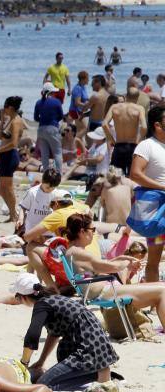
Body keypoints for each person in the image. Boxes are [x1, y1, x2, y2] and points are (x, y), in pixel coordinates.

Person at [14, 272, 120, 390]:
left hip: (86, 351)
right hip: (100, 349)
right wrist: (41, 361)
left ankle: (95, 375)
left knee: (43, 385)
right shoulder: (55, 299)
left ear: (23, 297)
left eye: (18, 298)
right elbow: (53, 334)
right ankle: (99, 372)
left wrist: (24, 364)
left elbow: (32, 336)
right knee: (59, 356)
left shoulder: (42, 305)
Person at [64, 213, 165, 329]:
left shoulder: (73, 250)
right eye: (93, 229)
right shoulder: (78, 252)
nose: (94, 232)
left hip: (105, 290)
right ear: (82, 232)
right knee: (162, 290)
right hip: (106, 292)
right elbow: (105, 267)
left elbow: (101, 266)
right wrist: (127, 263)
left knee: (162, 288)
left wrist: (122, 259)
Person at [130, 106, 165, 282]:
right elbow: (135, 174)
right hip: (157, 215)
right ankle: (155, 301)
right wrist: (163, 187)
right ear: (158, 125)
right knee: (154, 260)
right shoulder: (147, 146)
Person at [103, 87, 147, 176]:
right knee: (133, 176)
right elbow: (144, 127)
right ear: (137, 98)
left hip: (118, 145)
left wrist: (111, 139)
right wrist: (138, 141)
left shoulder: (114, 107)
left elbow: (104, 124)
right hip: (132, 146)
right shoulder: (139, 108)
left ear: (126, 96)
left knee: (114, 178)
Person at [0, 96, 24, 222]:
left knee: (8, 187)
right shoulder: (10, 119)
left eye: (5, 107)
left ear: (10, 107)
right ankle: (13, 212)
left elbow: (14, 143)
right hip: (5, 155)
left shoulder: (16, 121)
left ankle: (13, 214)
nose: (3, 109)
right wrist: (1, 118)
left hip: (10, 155)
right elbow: (1, 136)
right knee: (1, 189)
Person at [18, 168, 61, 237]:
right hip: (32, 229)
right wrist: (21, 219)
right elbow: (23, 207)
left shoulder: (56, 194)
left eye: (52, 188)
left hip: (49, 231)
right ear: (42, 181)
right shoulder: (32, 192)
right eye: (47, 187)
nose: (49, 190)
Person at [34, 83, 64, 174]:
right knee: (57, 153)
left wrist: (43, 120)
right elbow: (61, 116)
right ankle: (58, 174)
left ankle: (46, 174)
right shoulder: (56, 102)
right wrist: (53, 120)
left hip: (41, 129)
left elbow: (36, 118)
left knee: (44, 154)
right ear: (52, 92)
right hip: (52, 128)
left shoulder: (38, 102)